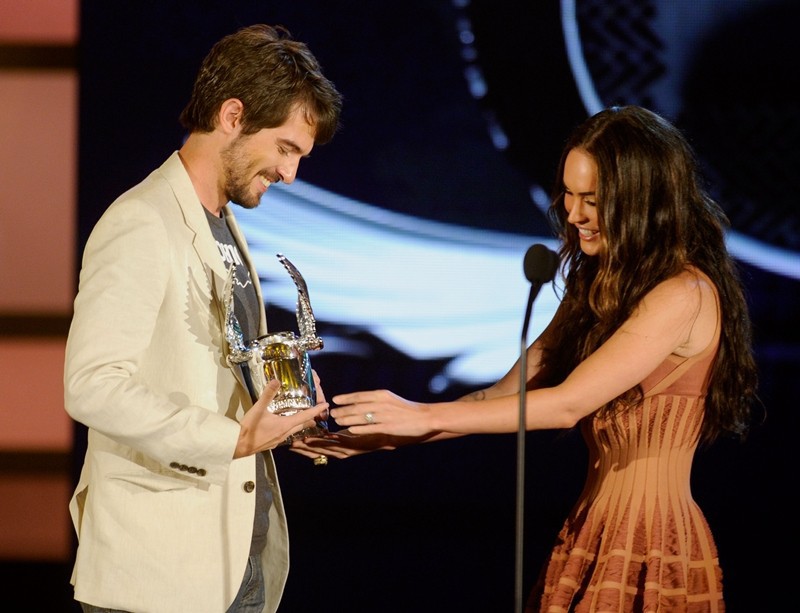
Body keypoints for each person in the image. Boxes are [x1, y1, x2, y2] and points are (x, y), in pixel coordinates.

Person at [292, 105, 759, 611]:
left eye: (592, 200)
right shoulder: (594, 291)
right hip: (592, 530)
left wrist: (422, 415)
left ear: (643, 200)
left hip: (653, 540)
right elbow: (500, 397)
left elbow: (566, 405)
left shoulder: (683, 294)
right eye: (569, 195)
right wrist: (385, 436)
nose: (573, 215)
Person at [64, 24, 342, 613]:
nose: (291, 173)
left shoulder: (221, 223)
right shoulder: (142, 220)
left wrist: (286, 406)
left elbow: (219, 366)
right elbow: (92, 385)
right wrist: (233, 439)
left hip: (233, 558)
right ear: (232, 115)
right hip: (158, 572)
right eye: (285, 148)